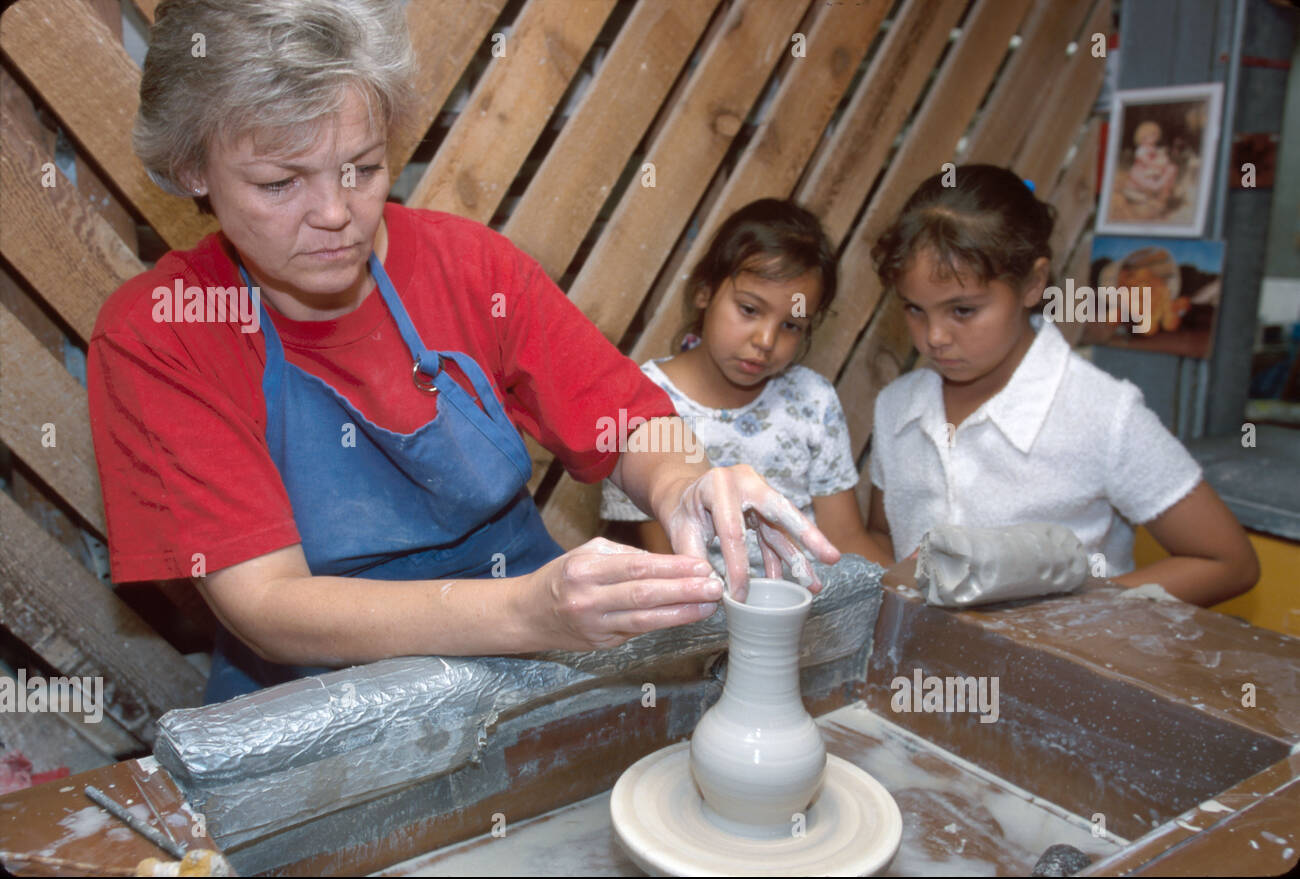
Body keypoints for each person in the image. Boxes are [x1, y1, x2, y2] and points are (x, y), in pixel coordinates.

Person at [89, 0, 839, 703]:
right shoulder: (162, 332)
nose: (335, 214)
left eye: (363, 168)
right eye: (280, 182)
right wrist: (524, 612)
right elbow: (270, 605)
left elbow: (631, 421)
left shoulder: (465, 266)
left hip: (537, 653)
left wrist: (682, 485)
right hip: (317, 696)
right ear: (192, 169)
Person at [864, 164, 1258, 606]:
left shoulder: (1102, 413)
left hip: (1060, 669)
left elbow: (1227, 562)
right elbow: (884, 534)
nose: (934, 337)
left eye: (962, 310)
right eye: (915, 309)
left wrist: (1072, 617)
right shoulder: (896, 406)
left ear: (1032, 284)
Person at [602, 199, 890, 573]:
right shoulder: (643, 401)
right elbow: (666, 558)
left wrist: (913, 586)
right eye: (750, 310)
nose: (766, 340)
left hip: (805, 608)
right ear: (705, 291)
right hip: (697, 611)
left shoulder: (812, 400)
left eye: (791, 326)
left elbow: (846, 540)